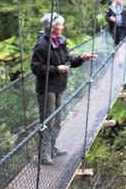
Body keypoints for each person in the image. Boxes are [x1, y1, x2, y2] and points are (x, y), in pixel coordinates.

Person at [31, 12, 96, 165]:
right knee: (47, 121)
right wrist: (55, 69)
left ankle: (52, 147)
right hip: (47, 88)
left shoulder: (60, 41)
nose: (62, 27)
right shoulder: (42, 45)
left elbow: (67, 60)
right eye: (60, 25)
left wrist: (81, 58)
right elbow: (36, 68)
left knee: (57, 119)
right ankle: (43, 154)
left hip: (59, 85)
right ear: (52, 27)